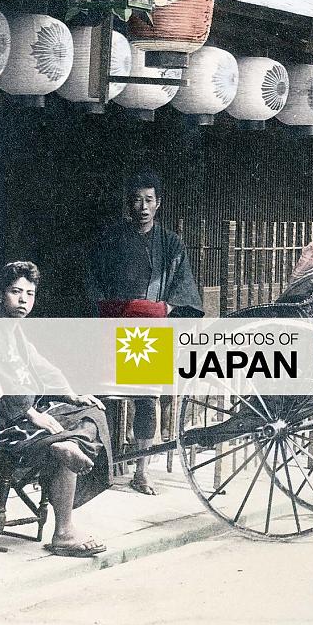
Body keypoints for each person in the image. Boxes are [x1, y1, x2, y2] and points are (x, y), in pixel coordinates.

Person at [85, 171, 202, 494]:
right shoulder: (111, 239)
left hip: (148, 331)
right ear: (128, 204)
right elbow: (92, 279)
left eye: (149, 200)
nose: (143, 207)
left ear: (159, 203)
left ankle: (140, 470)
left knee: (146, 400)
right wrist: (105, 306)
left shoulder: (171, 243)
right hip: (114, 325)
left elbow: (183, 289)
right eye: (137, 200)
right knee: (106, 398)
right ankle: (103, 465)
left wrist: (166, 308)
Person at [0, 262, 111, 557]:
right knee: (62, 438)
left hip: (27, 415)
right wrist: (31, 414)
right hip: (0, 423)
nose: (23, 300)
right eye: (15, 292)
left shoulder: (16, 331)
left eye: (29, 293)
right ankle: (64, 531)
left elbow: (43, 365)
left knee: (91, 413)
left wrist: (72, 394)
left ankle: (64, 446)